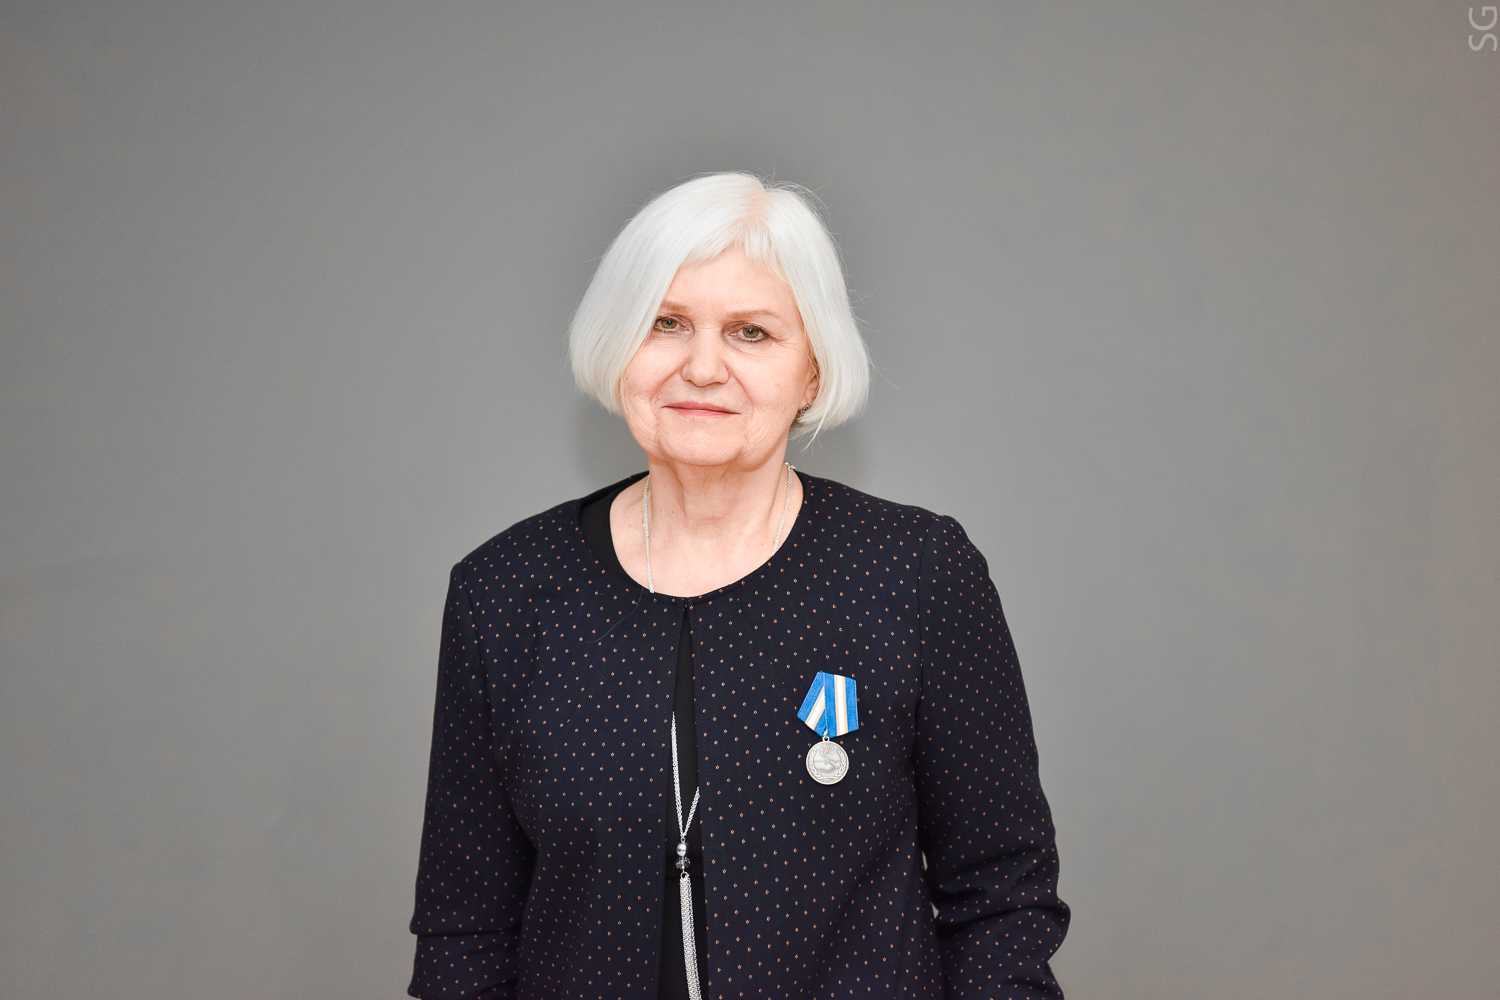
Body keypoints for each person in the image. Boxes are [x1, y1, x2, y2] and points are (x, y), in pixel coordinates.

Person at [408, 172, 1069, 1000]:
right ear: (617, 347)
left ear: (812, 372)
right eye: (666, 324)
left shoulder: (915, 573)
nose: (702, 367)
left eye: (751, 333)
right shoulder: (504, 593)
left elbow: (1002, 900)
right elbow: (464, 936)